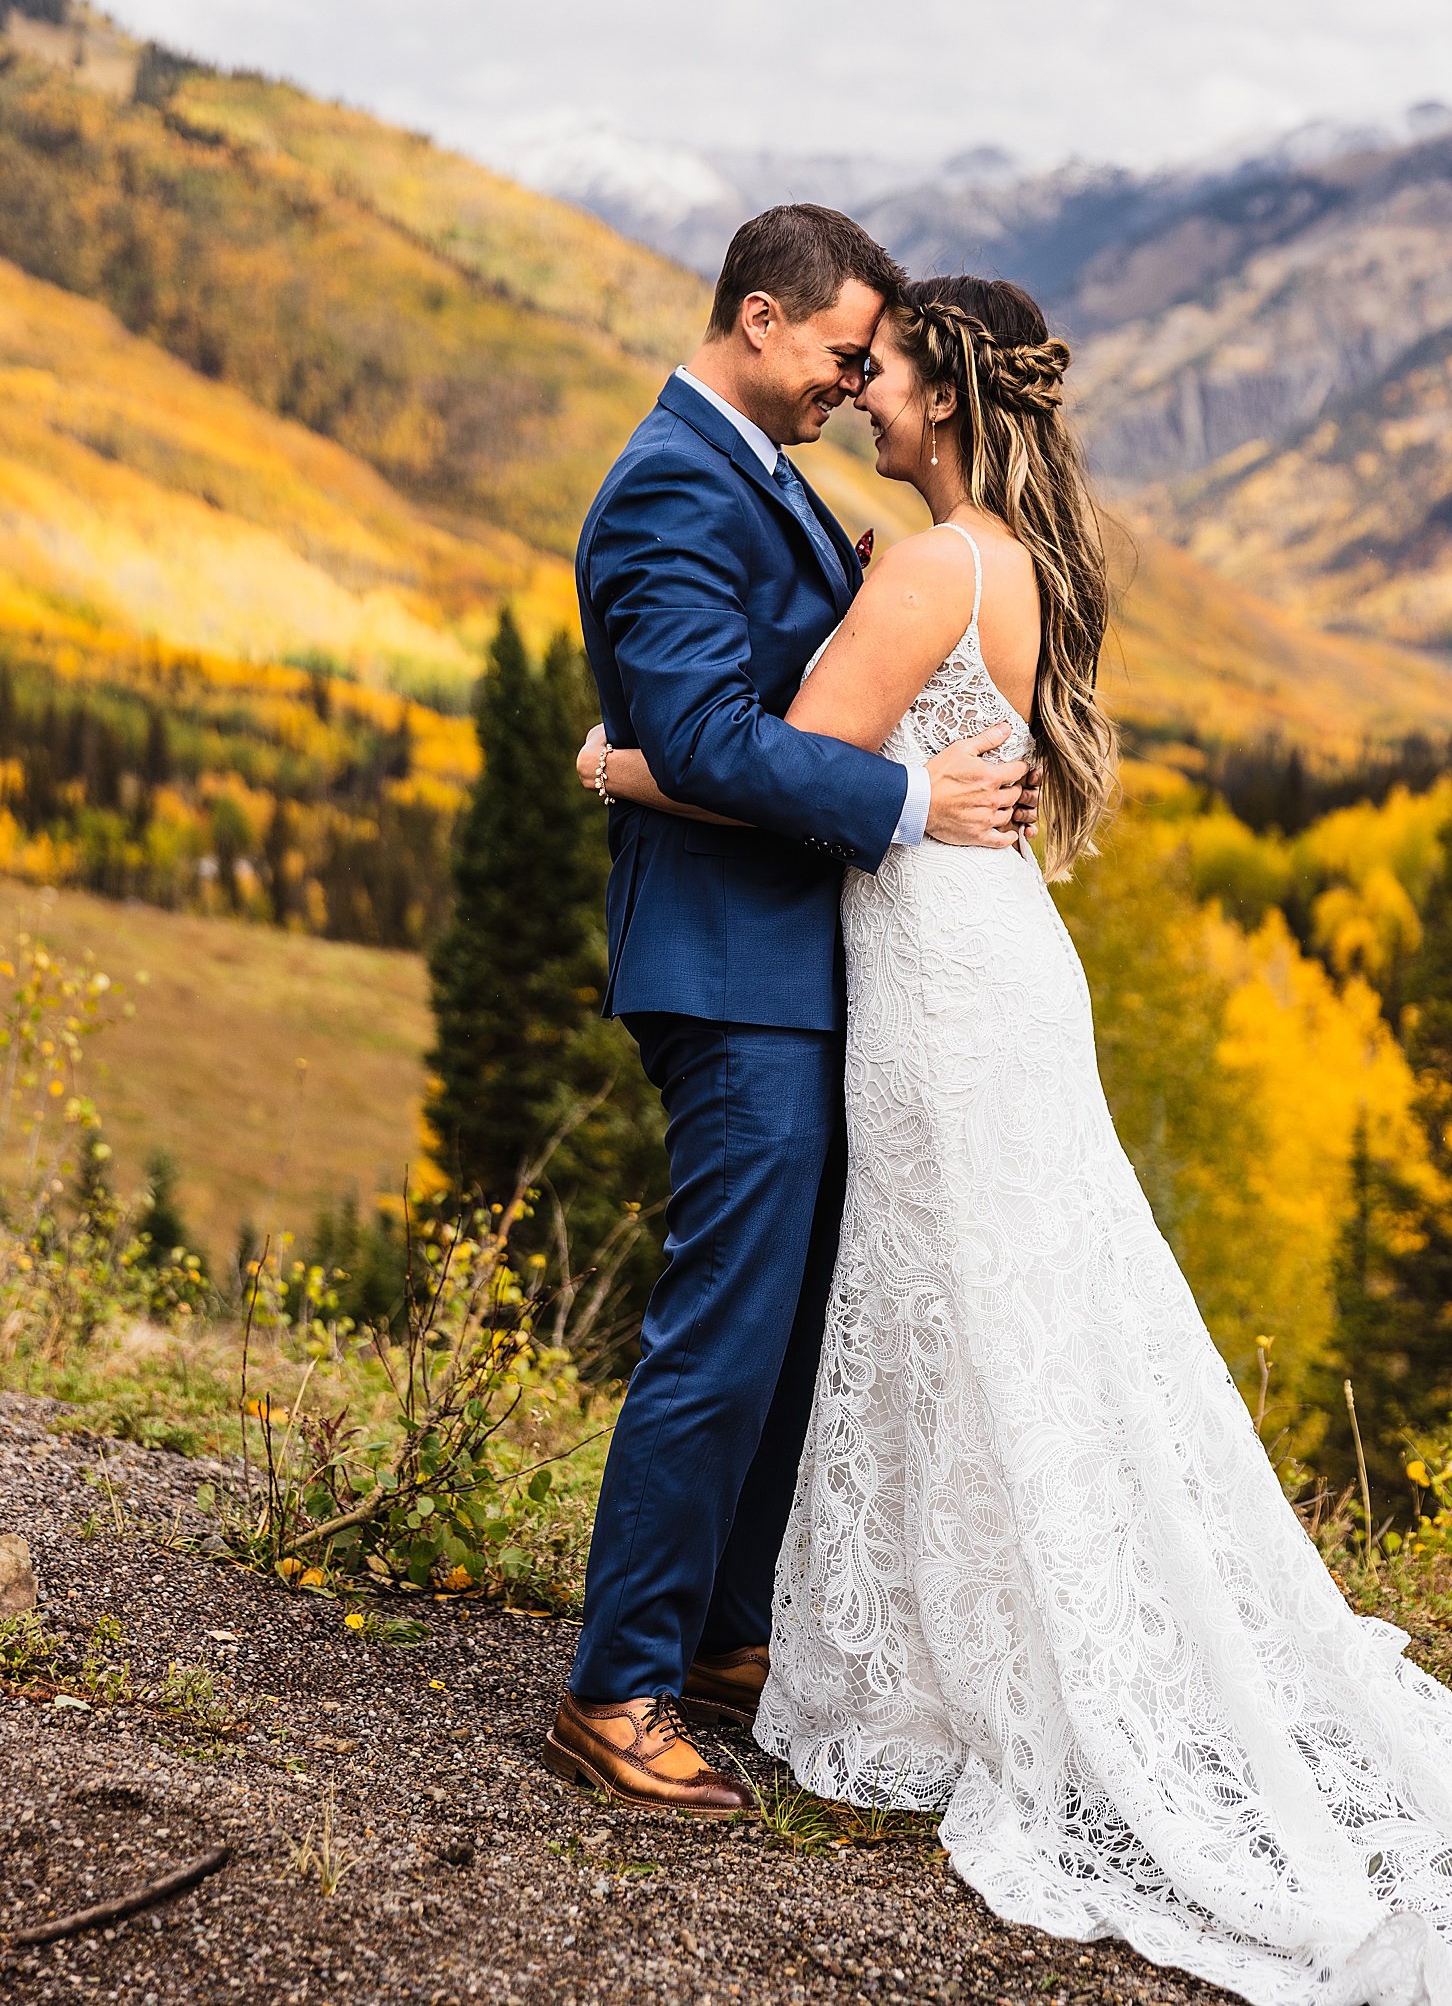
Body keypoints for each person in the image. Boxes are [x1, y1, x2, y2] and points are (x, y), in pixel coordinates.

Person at [588, 268, 1452, 2003]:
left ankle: (967, 1663)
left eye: (887, 372)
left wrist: (622, 767)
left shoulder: (932, 563)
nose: (862, 394)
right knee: (1005, 1312)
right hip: (990, 963)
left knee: (970, 1312)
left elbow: (776, 756)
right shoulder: (1005, 554)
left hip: (938, 979)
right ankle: (963, 1638)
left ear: (945, 394)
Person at [543, 206, 1031, 1820]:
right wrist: (908, 802)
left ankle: (722, 1634)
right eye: (838, 352)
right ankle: (616, 1684)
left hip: (809, 965)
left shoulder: (768, 474)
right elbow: (696, 727)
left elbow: (759, 693)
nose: (848, 383)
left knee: (802, 1320)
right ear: (760, 317)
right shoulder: (674, 484)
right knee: (727, 1325)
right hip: (731, 970)